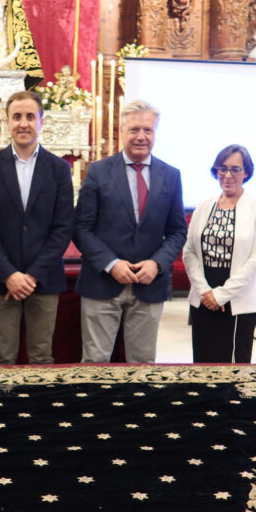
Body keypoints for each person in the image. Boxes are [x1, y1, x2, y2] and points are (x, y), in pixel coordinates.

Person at [73, 100, 187, 363]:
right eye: (134, 129)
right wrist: (111, 264)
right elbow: (80, 227)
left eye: (148, 130)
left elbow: (177, 231)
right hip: (102, 283)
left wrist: (156, 264)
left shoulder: (171, 175)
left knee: (143, 365)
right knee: (95, 363)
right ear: (121, 131)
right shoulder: (98, 172)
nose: (141, 136)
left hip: (149, 285)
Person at [0, 91, 74, 364]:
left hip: (44, 278)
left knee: (42, 357)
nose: (23, 123)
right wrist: (10, 275)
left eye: (30, 117)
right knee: (2, 358)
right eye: (16, 116)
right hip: (0, 278)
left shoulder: (59, 168)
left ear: (41, 122)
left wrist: (32, 276)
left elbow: (63, 227)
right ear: (7, 122)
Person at [182, 144, 256, 363]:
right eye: (222, 168)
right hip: (204, 295)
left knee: (233, 364)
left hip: (240, 296)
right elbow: (189, 252)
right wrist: (204, 291)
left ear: (246, 172)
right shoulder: (204, 206)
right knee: (203, 361)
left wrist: (221, 295)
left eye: (235, 169)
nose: (227, 175)